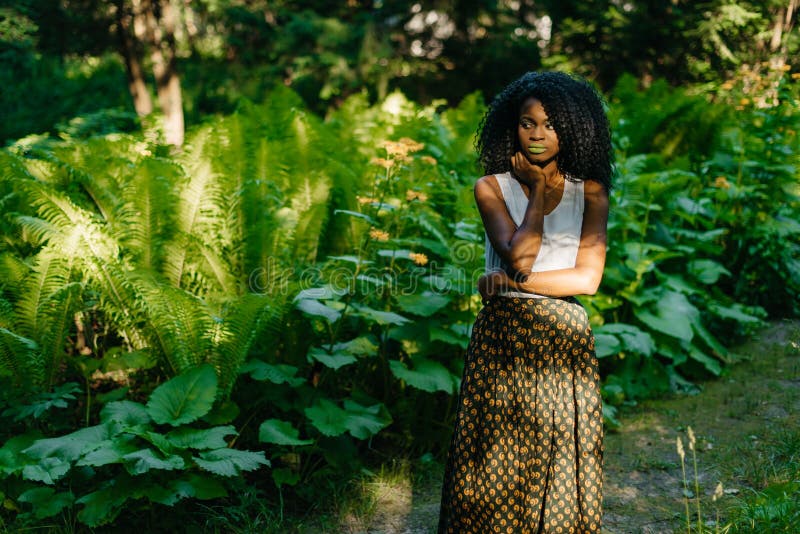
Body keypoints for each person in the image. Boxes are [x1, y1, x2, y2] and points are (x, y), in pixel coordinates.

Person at [437, 71, 613, 534]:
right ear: (510, 127)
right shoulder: (492, 187)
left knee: (555, 450)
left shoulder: (590, 192)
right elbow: (520, 253)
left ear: (574, 129)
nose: (537, 135)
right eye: (527, 122)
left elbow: (587, 279)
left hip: (563, 340)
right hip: (503, 336)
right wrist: (535, 191)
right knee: (494, 454)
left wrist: (509, 282)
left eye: (551, 124)